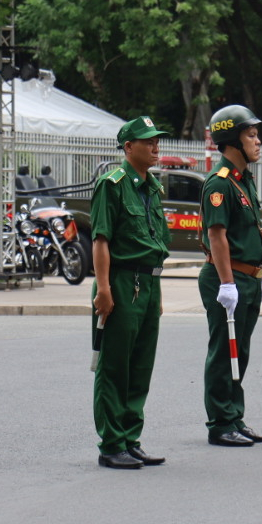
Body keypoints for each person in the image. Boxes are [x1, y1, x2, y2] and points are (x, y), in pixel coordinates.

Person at [91, 116, 172, 469]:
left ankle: (131, 437)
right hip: (122, 282)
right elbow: (101, 240)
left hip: (148, 283)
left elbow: (155, 242)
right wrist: (104, 289)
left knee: (140, 365)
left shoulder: (152, 187)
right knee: (114, 366)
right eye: (148, 141)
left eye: (157, 141)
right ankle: (112, 444)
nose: (156, 147)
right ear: (128, 147)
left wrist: (158, 293)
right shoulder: (113, 184)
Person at [199, 104, 262, 446]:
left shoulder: (244, 180)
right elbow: (217, 236)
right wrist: (228, 283)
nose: (258, 142)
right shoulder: (220, 183)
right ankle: (220, 422)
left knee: (239, 350)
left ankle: (235, 416)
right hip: (227, 278)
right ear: (231, 141)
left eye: (256, 135)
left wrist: (259, 275)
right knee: (224, 350)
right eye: (251, 135)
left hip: (248, 278)